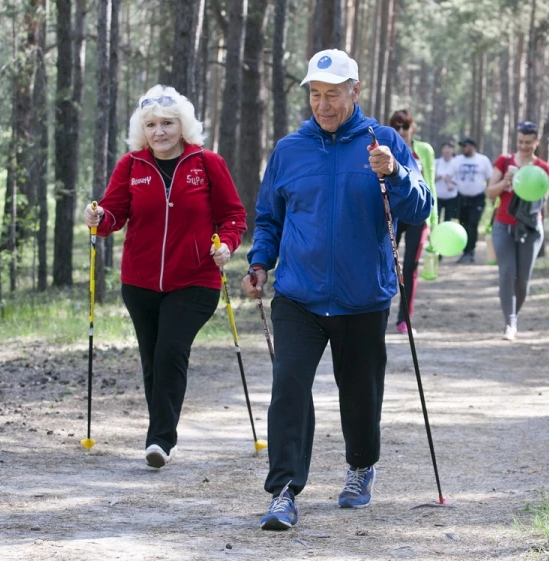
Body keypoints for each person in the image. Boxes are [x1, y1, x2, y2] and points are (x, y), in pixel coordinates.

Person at [241, 49, 432, 531]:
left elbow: (420, 208)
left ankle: (362, 466)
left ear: (356, 91)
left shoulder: (383, 142)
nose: (322, 105)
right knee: (288, 388)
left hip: (362, 295)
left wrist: (396, 173)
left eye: (332, 94)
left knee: (360, 393)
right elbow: (268, 218)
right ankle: (283, 491)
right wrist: (260, 263)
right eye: (315, 94)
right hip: (298, 296)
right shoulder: (289, 149)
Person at [84, 85, 247, 468]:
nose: (160, 131)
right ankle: (161, 433)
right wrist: (97, 218)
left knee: (171, 351)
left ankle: (159, 440)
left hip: (196, 279)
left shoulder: (207, 163)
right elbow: (113, 216)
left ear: (183, 126)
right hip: (139, 283)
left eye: (168, 123)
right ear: (143, 129)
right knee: (152, 358)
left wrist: (225, 244)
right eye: (152, 124)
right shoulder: (131, 165)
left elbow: (234, 216)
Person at [485, 121, 549, 341]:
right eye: (520, 142)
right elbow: (490, 193)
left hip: (531, 227)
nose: (524, 146)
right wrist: (506, 183)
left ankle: (513, 316)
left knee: (523, 278)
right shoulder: (504, 161)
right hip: (503, 224)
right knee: (507, 271)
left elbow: (545, 197)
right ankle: (510, 323)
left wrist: (528, 185)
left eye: (528, 142)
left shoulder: (542, 167)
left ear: (537, 142)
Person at [388, 109, 437, 335]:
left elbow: (430, 183)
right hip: (393, 213)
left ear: (412, 128)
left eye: (405, 127)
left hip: (418, 214)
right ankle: (379, 313)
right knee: (386, 263)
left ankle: (404, 319)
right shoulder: (385, 147)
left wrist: (433, 221)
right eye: (396, 127)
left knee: (410, 268)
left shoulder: (424, 150)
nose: (401, 131)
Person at [453, 137, 493, 263]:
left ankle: (471, 252)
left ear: (472, 146)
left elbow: (490, 178)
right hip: (461, 197)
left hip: (478, 198)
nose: (463, 148)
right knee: (463, 224)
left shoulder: (483, 160)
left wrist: (492, 195)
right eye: (462, 146)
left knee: (472, 223)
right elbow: (451, 176)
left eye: (465, 146)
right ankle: (465, 251)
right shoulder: (457, 160)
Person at [434, 142, 460, 222]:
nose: (447, 151)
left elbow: (460, 180)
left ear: (453, 150)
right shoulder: (436, 162)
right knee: (436, 218)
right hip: (437, 195)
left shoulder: (457, 163)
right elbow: (430, 177)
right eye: (445, 148)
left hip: (451, 196)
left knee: (448, 219)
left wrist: (450, 181)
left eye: (449, 148)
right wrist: (438, 177)